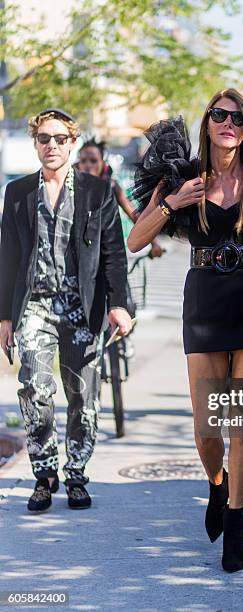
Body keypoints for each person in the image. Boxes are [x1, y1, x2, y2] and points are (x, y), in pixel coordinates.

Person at [127, 89, 243, 572]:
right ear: (208, 124)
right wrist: (173, 202)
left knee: (239, 422)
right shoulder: (183, 177)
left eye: (237, 117)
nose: (227, 122)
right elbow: (135, 239)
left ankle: (235, 519)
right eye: (219, 115)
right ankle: (216, 484)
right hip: (205, 301)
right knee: (207, 427)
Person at [0, 108, 132, 512]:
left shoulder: (96, 191)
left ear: (72, 144)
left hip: (82, 306)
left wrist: (120, 305)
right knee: (36, 389)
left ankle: (76, 474)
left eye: (59, 139)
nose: (51, 145)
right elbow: (7, 255)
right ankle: (45, 473)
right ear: (35, 143)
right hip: (36, 305)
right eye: (44, 138)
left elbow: (113, 253)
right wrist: (5, 316)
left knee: (82, 394)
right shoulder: (18, 191)